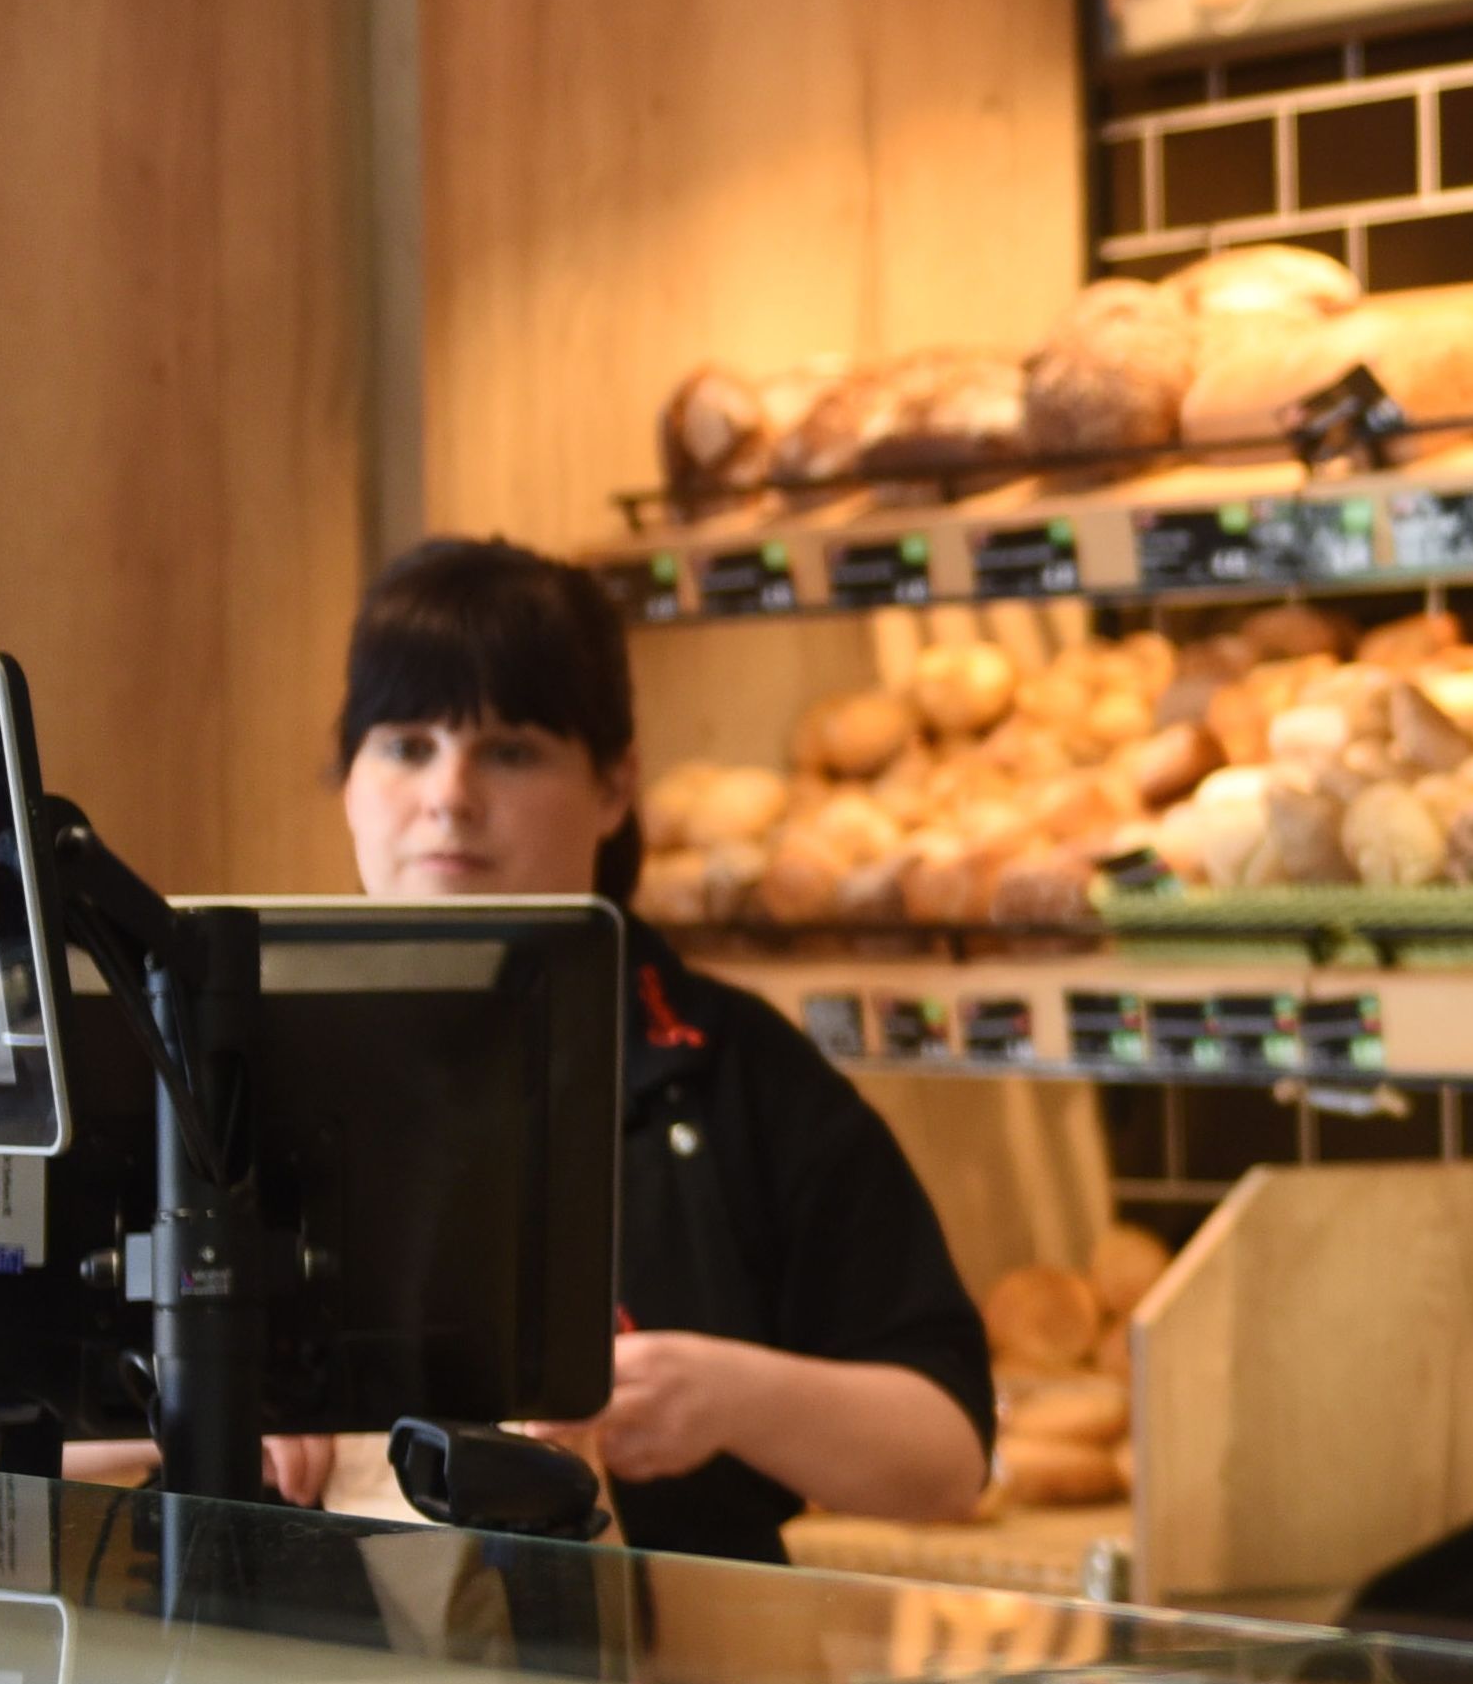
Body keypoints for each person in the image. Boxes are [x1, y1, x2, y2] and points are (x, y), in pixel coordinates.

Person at [311, 538, 990, 1553]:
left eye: (510, 749)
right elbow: (3, 1404)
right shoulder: (230, 1059)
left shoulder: (735, 1074)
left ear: (616, 784)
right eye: (407, 745)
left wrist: (731, 1396)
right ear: (350, 779)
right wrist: (210, 1399)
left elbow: (948, 1458)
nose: (449, 795)